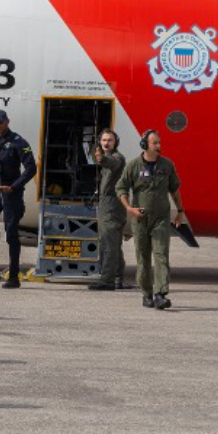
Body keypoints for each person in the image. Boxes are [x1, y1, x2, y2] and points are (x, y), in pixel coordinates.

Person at [116, 130, 186, 310]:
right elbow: (121, 188)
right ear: (145, 145)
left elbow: (175, 189)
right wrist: (129, 208)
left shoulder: (167, 165)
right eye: (155, 143)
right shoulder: (133, 166)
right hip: (140, 220)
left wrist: (180, 211)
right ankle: (146, 293)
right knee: (143, 258)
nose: (158, 146)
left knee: (161, 255)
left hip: (160, 219)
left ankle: (160, 294)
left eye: (159, 143)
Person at [0, 109, 36, 289]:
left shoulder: (19, 142)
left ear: (8, 121)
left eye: (1, 122)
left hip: (11, 191)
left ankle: (13, 276)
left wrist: (14, 186)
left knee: (11, 235)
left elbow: (31, 168)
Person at [89, 129, 128, 292]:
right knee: (114, 245)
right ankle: (118, 278)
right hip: (110, 206)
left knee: (107, 244)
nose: (106, 143)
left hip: (111, 208)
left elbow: (110, 162)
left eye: (109, 140)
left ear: (115, 142)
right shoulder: (109, 159)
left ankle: (107, 280)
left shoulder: (116, 158)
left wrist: (101, 158)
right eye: (104, 140)